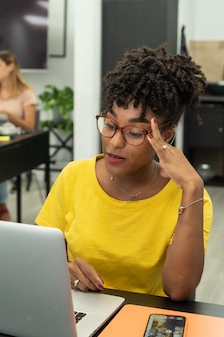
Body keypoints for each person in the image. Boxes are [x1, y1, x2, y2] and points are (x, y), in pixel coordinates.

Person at [35, 45, 213, 301]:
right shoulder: (74, 176)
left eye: (134, 133)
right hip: (76, 316)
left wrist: (193, 188)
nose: (114, 143)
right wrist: (65, 272)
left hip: (141, 320)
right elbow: (37, 260)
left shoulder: (191, 198)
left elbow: (179, 290)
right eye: (109, 124)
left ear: (166, 135)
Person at [0, 50, 37, 221]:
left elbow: (30, 126)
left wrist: (8, 115)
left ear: (11, 67)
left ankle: (2, 205)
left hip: (15, 145)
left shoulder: (26, 93)